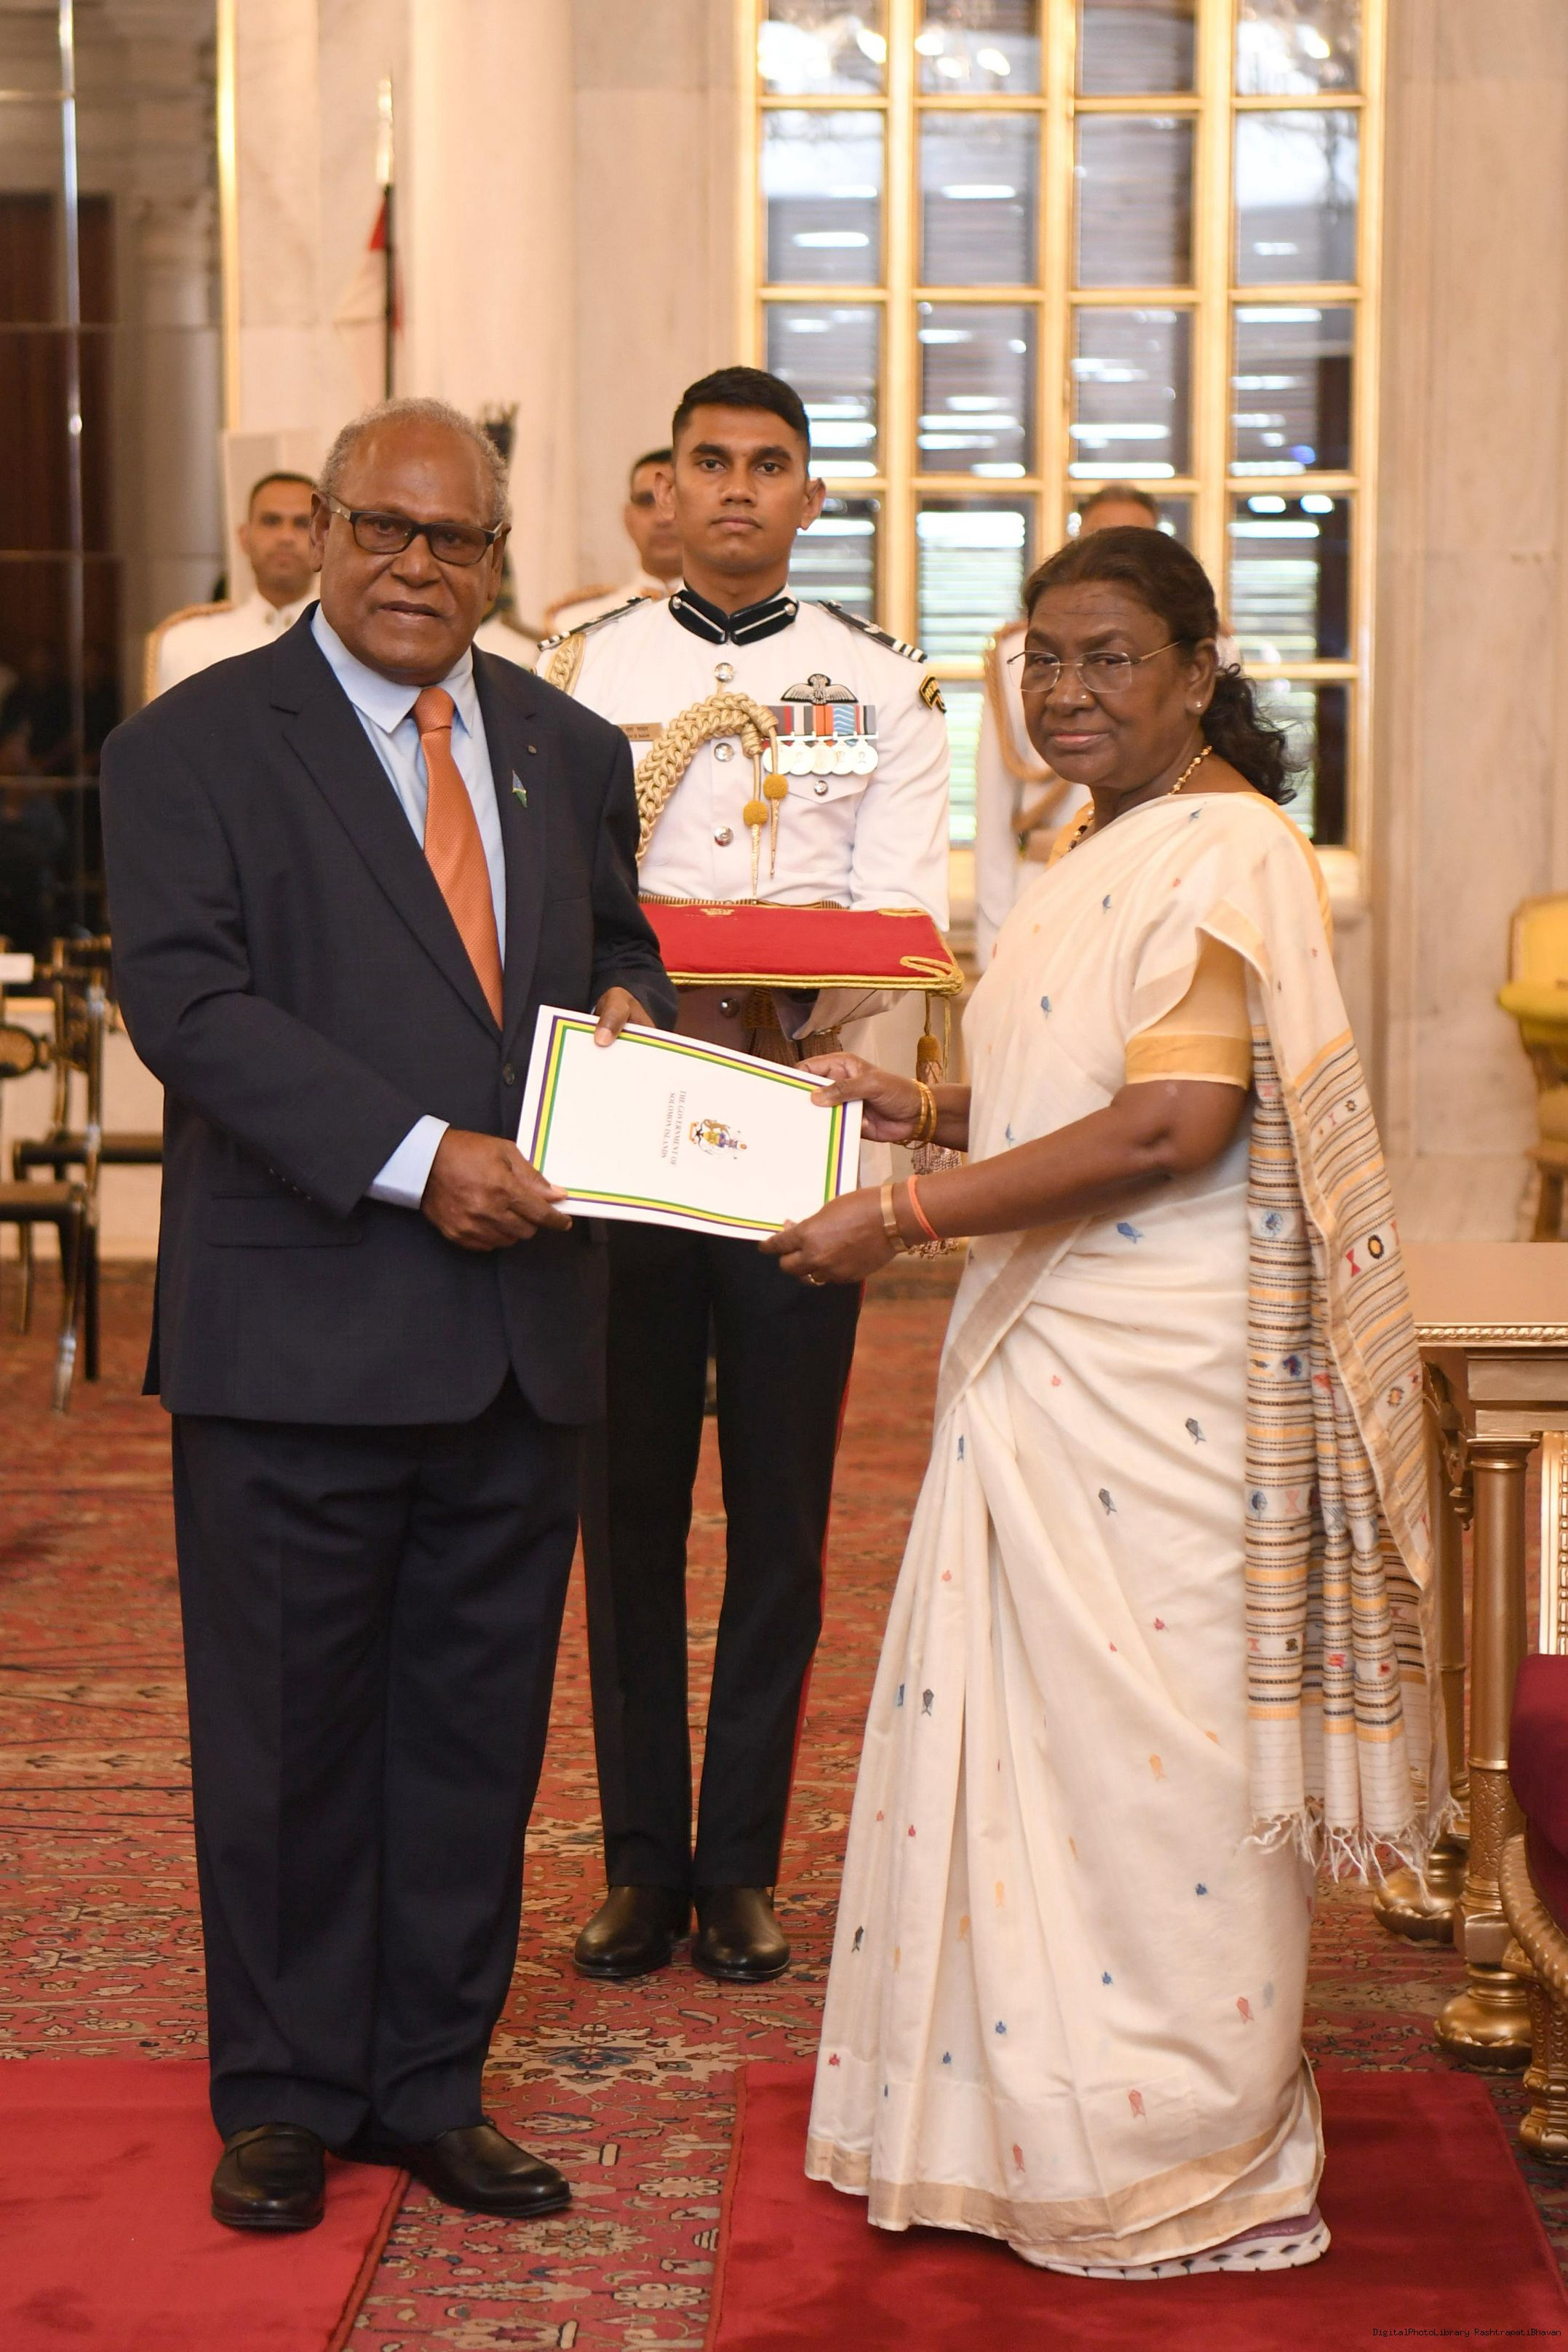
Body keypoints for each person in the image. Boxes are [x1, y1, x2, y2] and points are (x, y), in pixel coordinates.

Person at [767, 527, 1439, 2276]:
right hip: (1059, 1361)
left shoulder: (1225, 848)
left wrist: (901, 1215)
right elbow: (1091, 1085)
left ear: (1198, 670)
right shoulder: (1101, 844)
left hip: (1161, 1388)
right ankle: (1023, 2119)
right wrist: (924, 1114)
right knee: (1053, 1758)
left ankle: (1174, 2143)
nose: (1066, 692)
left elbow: (1168, 1128)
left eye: (1110, 657)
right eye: (1041, 660)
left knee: (1155, 1773)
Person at [100, 396, 675, 2236]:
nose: (419, 565)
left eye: (457, 538)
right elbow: (189, 1008)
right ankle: (282, 2093)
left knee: (473, 1735)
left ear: (497, 558)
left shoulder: (569, 746)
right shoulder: (191, 747)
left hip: (523, 1334)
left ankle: (430, 2079)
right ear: (325, 532)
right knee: (284, 1736)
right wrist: (420, 1159)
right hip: (301, 1333)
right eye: (384, 528)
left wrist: (636, 1016)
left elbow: (612, 946)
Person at [542, 365, 949, 1987]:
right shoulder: (584, 666)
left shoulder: (881, 682)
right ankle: (642, 1861)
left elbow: (897, 912)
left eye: (767, 465)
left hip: (793, 1104)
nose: (734, 489)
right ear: (667, 483)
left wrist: (759, 971)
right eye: (707, 461)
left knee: (779, 1512)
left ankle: (743, 1867)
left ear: (808, 497)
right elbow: (559, 895)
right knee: (628, 1503)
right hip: (631, 1109)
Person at [976, 487, 1175, 963]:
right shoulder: (1019, 653)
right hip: (1045, 881)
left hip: (1160, 884)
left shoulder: (1197, 654)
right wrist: (993, 939)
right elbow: (994, 802)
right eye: (1102, 542)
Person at [146, 472, 318, 698]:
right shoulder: (187, 642)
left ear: (324, 538)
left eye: (302, 524)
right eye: (271, 521)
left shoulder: (347, 641)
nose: (286, 536)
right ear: (244, 537)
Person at [544, 446, 684, 635]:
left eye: (674, 500)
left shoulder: (724, 613)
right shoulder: (575, 622)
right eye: (646, 501)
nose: (662, 519)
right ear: (628, 518)